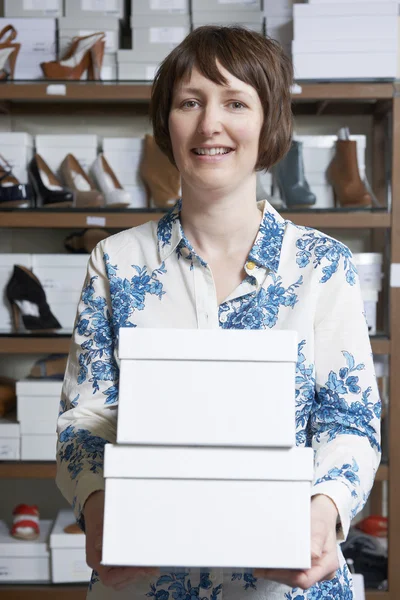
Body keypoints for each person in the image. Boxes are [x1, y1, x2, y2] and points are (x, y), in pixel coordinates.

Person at [56, 25, 381, 600]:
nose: (210, 125)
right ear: (168, 123)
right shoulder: (116, 261)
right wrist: (98, 505)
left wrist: (326, 509)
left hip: (286, 584)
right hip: (143, 576)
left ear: (269, 123)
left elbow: (350, 421)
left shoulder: (322, 266)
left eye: (236, 102)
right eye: (190, 102)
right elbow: (86, 418)